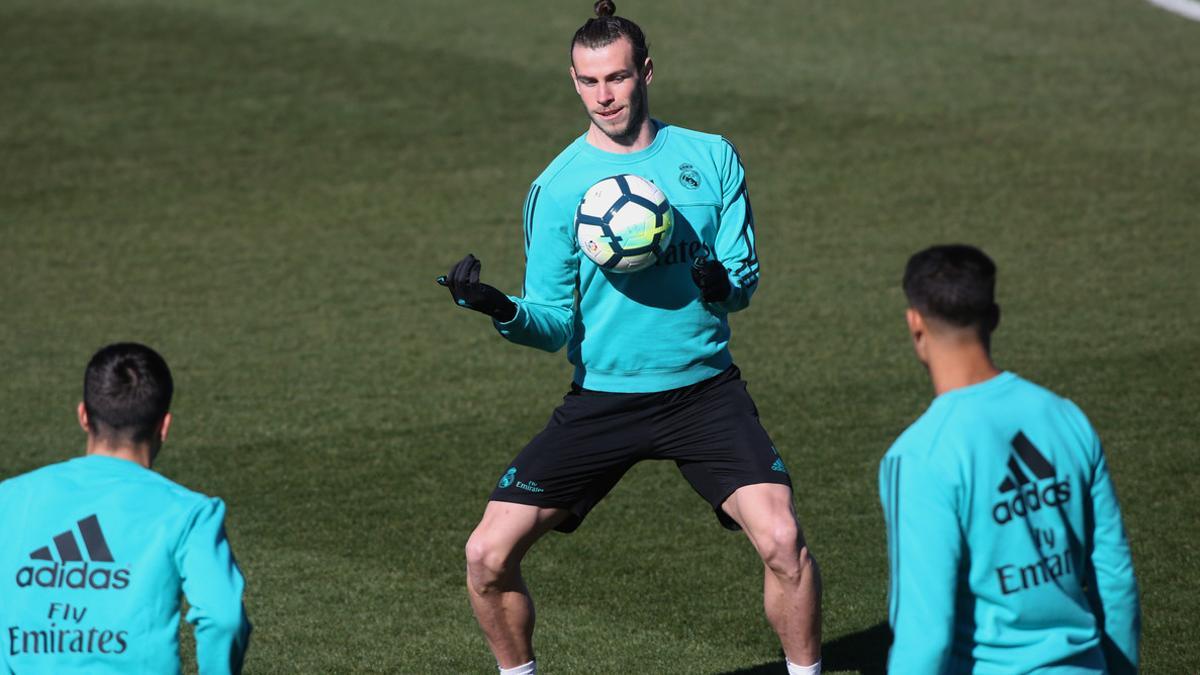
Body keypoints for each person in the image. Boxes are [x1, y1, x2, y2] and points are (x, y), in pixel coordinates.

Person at [438, 2, 822, 673]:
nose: (604, 95)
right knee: (485, 555)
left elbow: (745, 282)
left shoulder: (712, 158)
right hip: (603, 401)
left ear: (645, 71)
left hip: (705, 396)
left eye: (616, 77)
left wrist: (716, 284)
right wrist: (497, 305)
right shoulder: (556, 189)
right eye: (589, 82)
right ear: (573, 81)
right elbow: (553, 322)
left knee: (784, 541)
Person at [879, 245, 1141, 674]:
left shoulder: (918, 457)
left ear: (915, 323)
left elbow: (924, 637)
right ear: (994, 317)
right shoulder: (1065, 418)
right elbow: (1114, 580)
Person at [0, 343, 251, 674]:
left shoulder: (10, 497)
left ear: (83, 415)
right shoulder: (189, 513)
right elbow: (223, 618)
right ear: (164, 425)